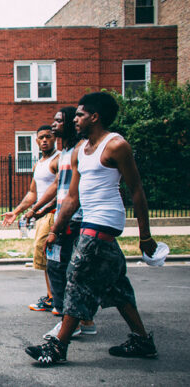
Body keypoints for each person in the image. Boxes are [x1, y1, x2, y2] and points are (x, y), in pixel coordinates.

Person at [26, 92, 159, 365]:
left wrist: (145, 235)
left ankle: (58, 347)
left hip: (103, 223)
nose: (75, 119)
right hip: (89, 223)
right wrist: (55, 230)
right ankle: (142, 340)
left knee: (76, 280)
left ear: (95, 116)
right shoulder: (79, 152)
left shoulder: (115, 145)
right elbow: (72, 198)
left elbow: (136, 189)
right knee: (117, 287)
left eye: (80, 115)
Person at [26, 107, 96, 338]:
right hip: (63, 216)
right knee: (62, 268)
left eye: (58, 121)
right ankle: (81, 320)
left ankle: (73, 321)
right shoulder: (67, 151)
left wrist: (56, 226)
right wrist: (37, 209)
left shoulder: (79, 150)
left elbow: (72, 195)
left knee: (62, 269)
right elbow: (58, 187)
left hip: (75, 220)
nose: (53, 125)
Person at [1, 125, 60, 312]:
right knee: (44, 258)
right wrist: (16, 211)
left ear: (54, 138)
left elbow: (60, 190)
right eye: (41, 137)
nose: (44, 140)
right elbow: (32, 193)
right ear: (36, 141)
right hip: (41, 216)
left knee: (50, 257)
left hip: (52, 215)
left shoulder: (58, 160)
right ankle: (52, 297)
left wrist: (36, 210)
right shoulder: (39, 164)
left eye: (48, 137)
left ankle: (56, 298)